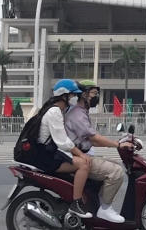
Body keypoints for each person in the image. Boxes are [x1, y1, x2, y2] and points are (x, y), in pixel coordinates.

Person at [65, 81, 133, 223]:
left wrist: (116, 143)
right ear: (84, 94)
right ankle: (105, 209)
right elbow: (94, 138)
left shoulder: (82, 112)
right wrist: (118, 145)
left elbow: (93, 140)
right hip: (78, 157)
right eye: (94, 93)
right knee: (116, 172)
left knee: (115, 164)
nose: (96, 97)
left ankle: (99, 204)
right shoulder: (77, 114)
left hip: (82, 154)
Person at [34, 79, 93, 219]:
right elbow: (63, 142)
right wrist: (81, 154)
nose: (75, 98)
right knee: (83, 165)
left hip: (49, 153)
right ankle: (76, 204)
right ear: (64, 95)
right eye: (72, 95)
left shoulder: (56, 110)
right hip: (47, 158)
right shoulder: (54, 112)